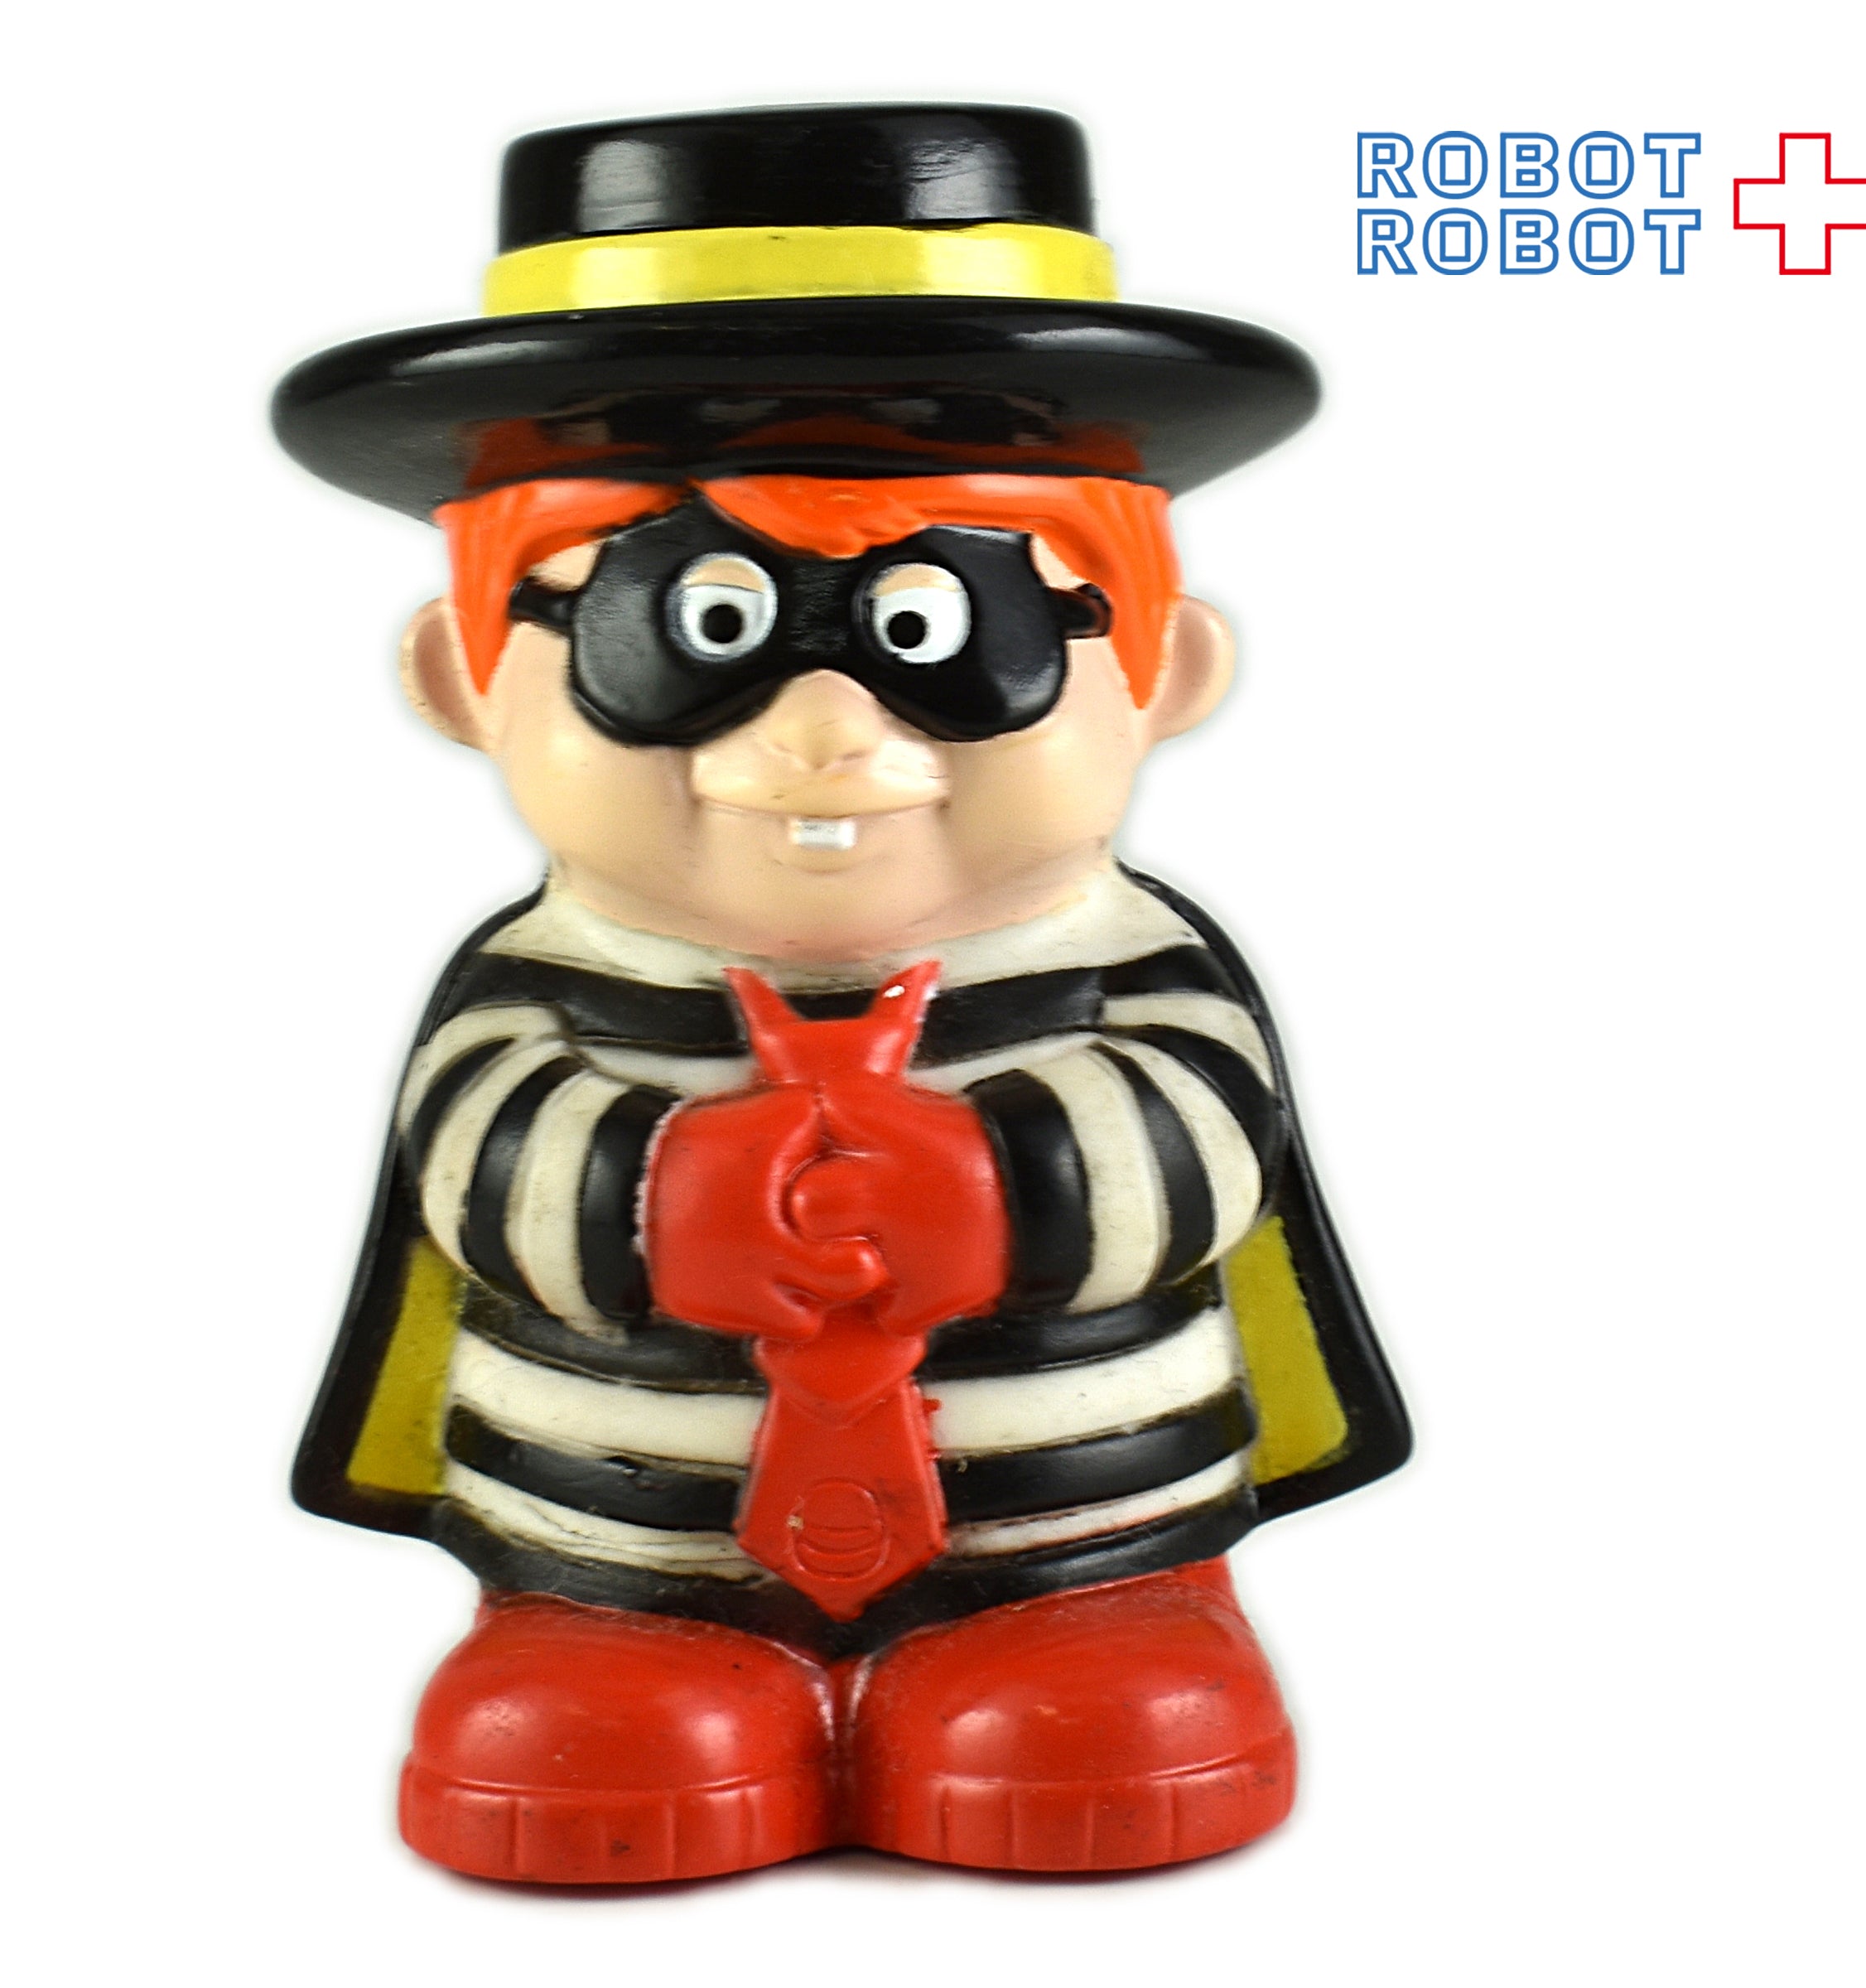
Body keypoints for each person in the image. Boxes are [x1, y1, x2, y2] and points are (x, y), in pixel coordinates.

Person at [278, 103, 1409, 1884]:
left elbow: (1201, 1131)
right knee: (600, 1718)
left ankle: (1080, 1624)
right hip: (618, 1536)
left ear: (1162, 674)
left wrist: (1010, 1184)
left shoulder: (1132, 972)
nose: (824, 731)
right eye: (691, 635)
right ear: (468, 680)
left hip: (1082, 1523)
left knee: (1083, 1698)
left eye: (941, 636)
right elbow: (482, 1152)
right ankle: (622, 1643)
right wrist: (657, 1193)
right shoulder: (535, 992)